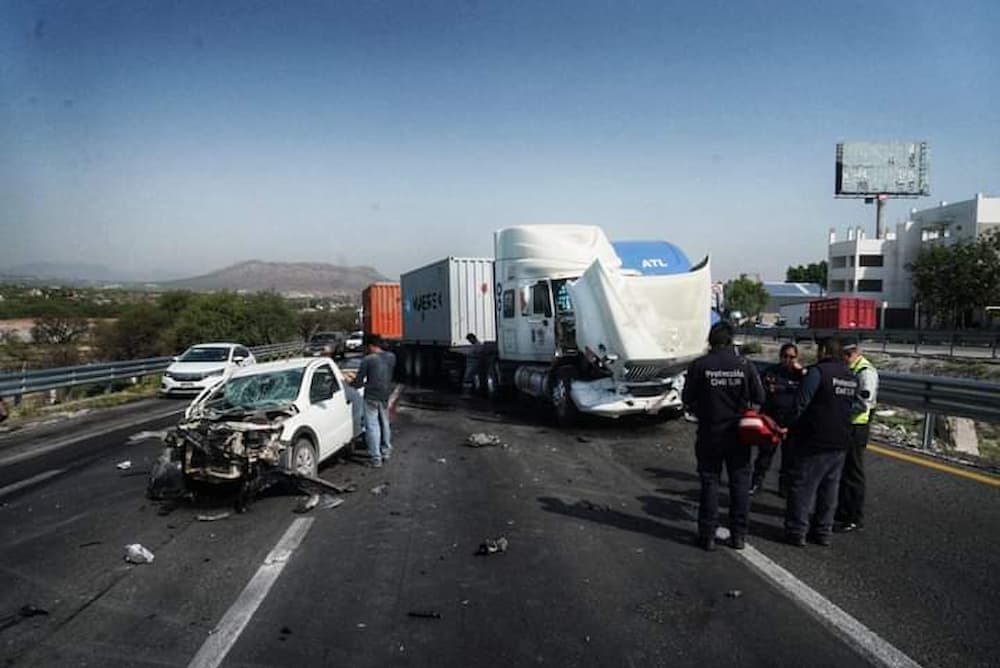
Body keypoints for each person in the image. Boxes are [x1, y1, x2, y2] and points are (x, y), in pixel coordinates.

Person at [682, 321, 765, 551]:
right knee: (739, 484)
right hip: (738, 434)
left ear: (710, 340)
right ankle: (738, 536)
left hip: (710, 432)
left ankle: (707, 535)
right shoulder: (745, 365)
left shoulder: (700, 365)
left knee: (710, 483)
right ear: (731, 340)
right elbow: (760, 397)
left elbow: (686, 398)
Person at [784, 336, 858, 547]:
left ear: (824, 351)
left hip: (814, 440)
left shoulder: (817, 372)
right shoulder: (851, 376)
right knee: (829, 490)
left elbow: (801, 404)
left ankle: (797, 531)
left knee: (803, 486)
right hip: (841, 441)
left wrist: (787, 425)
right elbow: (854, 405)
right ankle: (823, 532)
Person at [834, 336, 879, 533]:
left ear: (851, 354)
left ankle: (854, 516)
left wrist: (840, 406)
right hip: (847, 426)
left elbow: (863, 404)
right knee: (844, 471)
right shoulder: (852, 369)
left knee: (854, 473)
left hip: (857, 427)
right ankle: (843, 510)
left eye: (843, 356)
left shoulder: (865, 372)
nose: (842, 360)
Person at [751, 343, 806, 497]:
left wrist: (800, 371)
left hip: (791, 421)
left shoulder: (801, 375)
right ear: (780, 356)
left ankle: (785, 486)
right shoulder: (771, 372)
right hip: (771, 418)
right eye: (785, 356)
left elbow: (809, 390)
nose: (788, 360)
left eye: (792, 357)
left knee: (790, 457)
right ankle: (756, 482)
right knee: (765, 455)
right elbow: (762, 391)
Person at [351, 334, 397, 468]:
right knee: (385, 423)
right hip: (385, 394)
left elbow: (359, 382)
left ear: (371, 346)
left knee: (372, 426)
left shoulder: (368, 360)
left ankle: (376, 458)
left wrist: (350, 382)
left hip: (371, 396)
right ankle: (386, 451)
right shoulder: (391, 357)